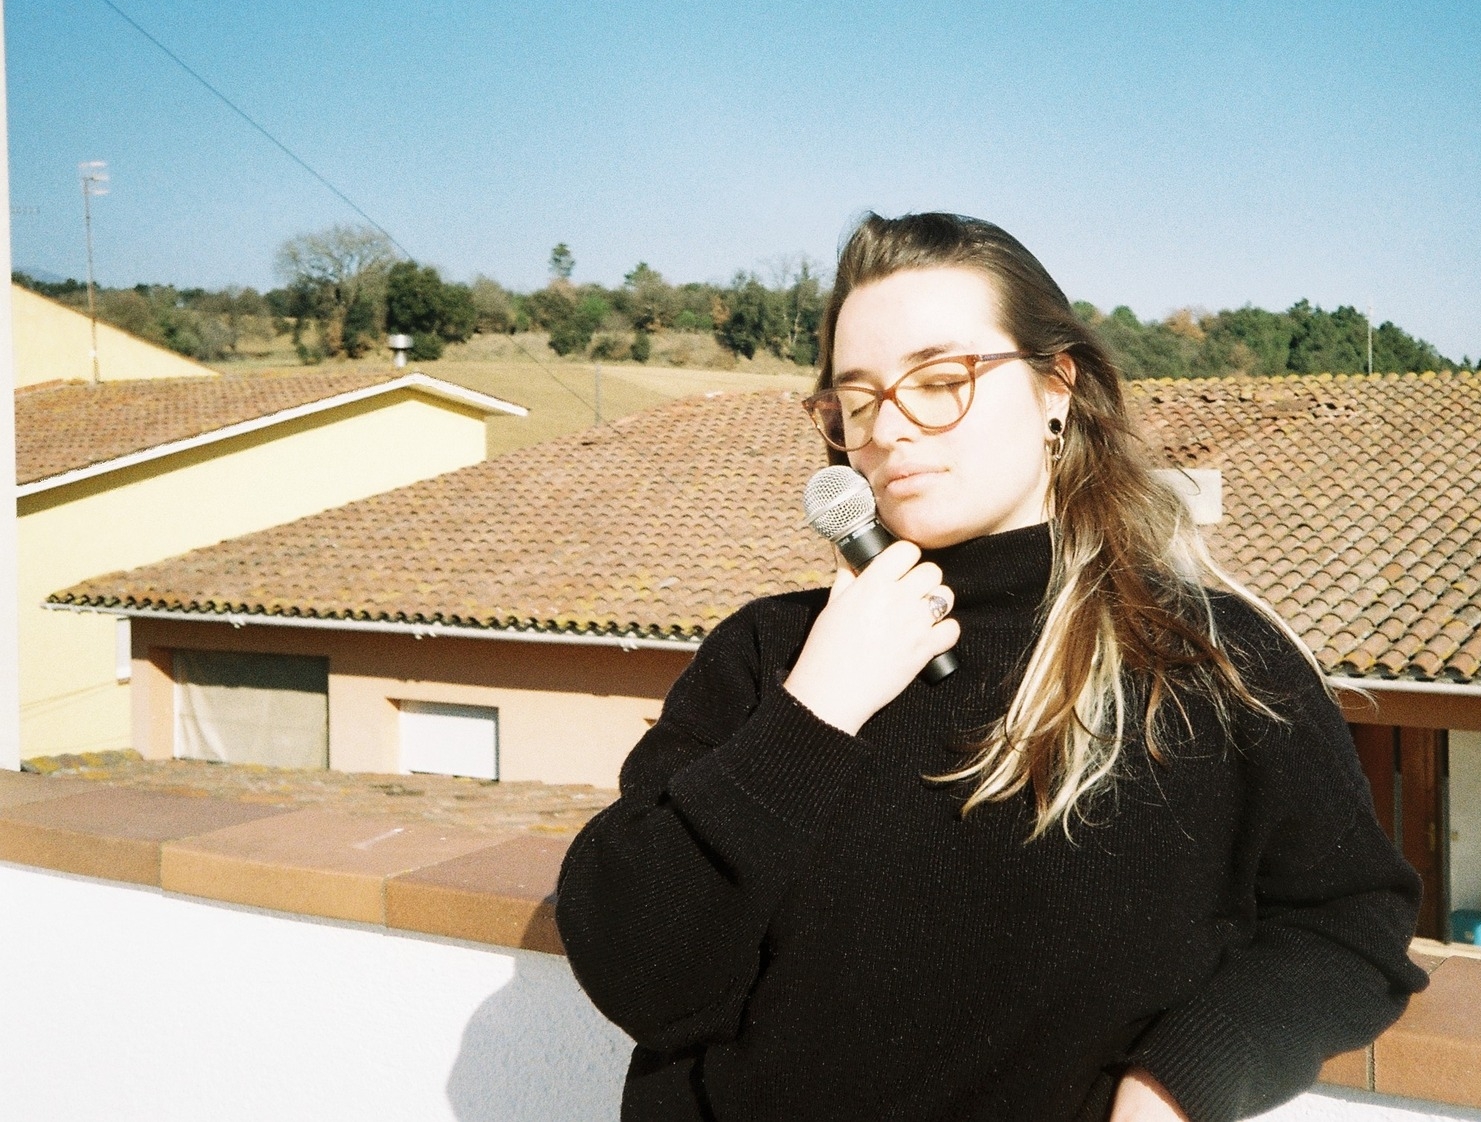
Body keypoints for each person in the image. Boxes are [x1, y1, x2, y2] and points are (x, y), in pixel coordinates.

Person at [555, 212, 1427, 1122]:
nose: (889, 430)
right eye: (858, 400)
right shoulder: (769, 656)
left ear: (1057, 387)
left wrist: (1181, 1081)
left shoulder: (1210, 659)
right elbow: (636, 971)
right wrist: (814, 711)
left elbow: (1349, 921)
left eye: (940, 382)